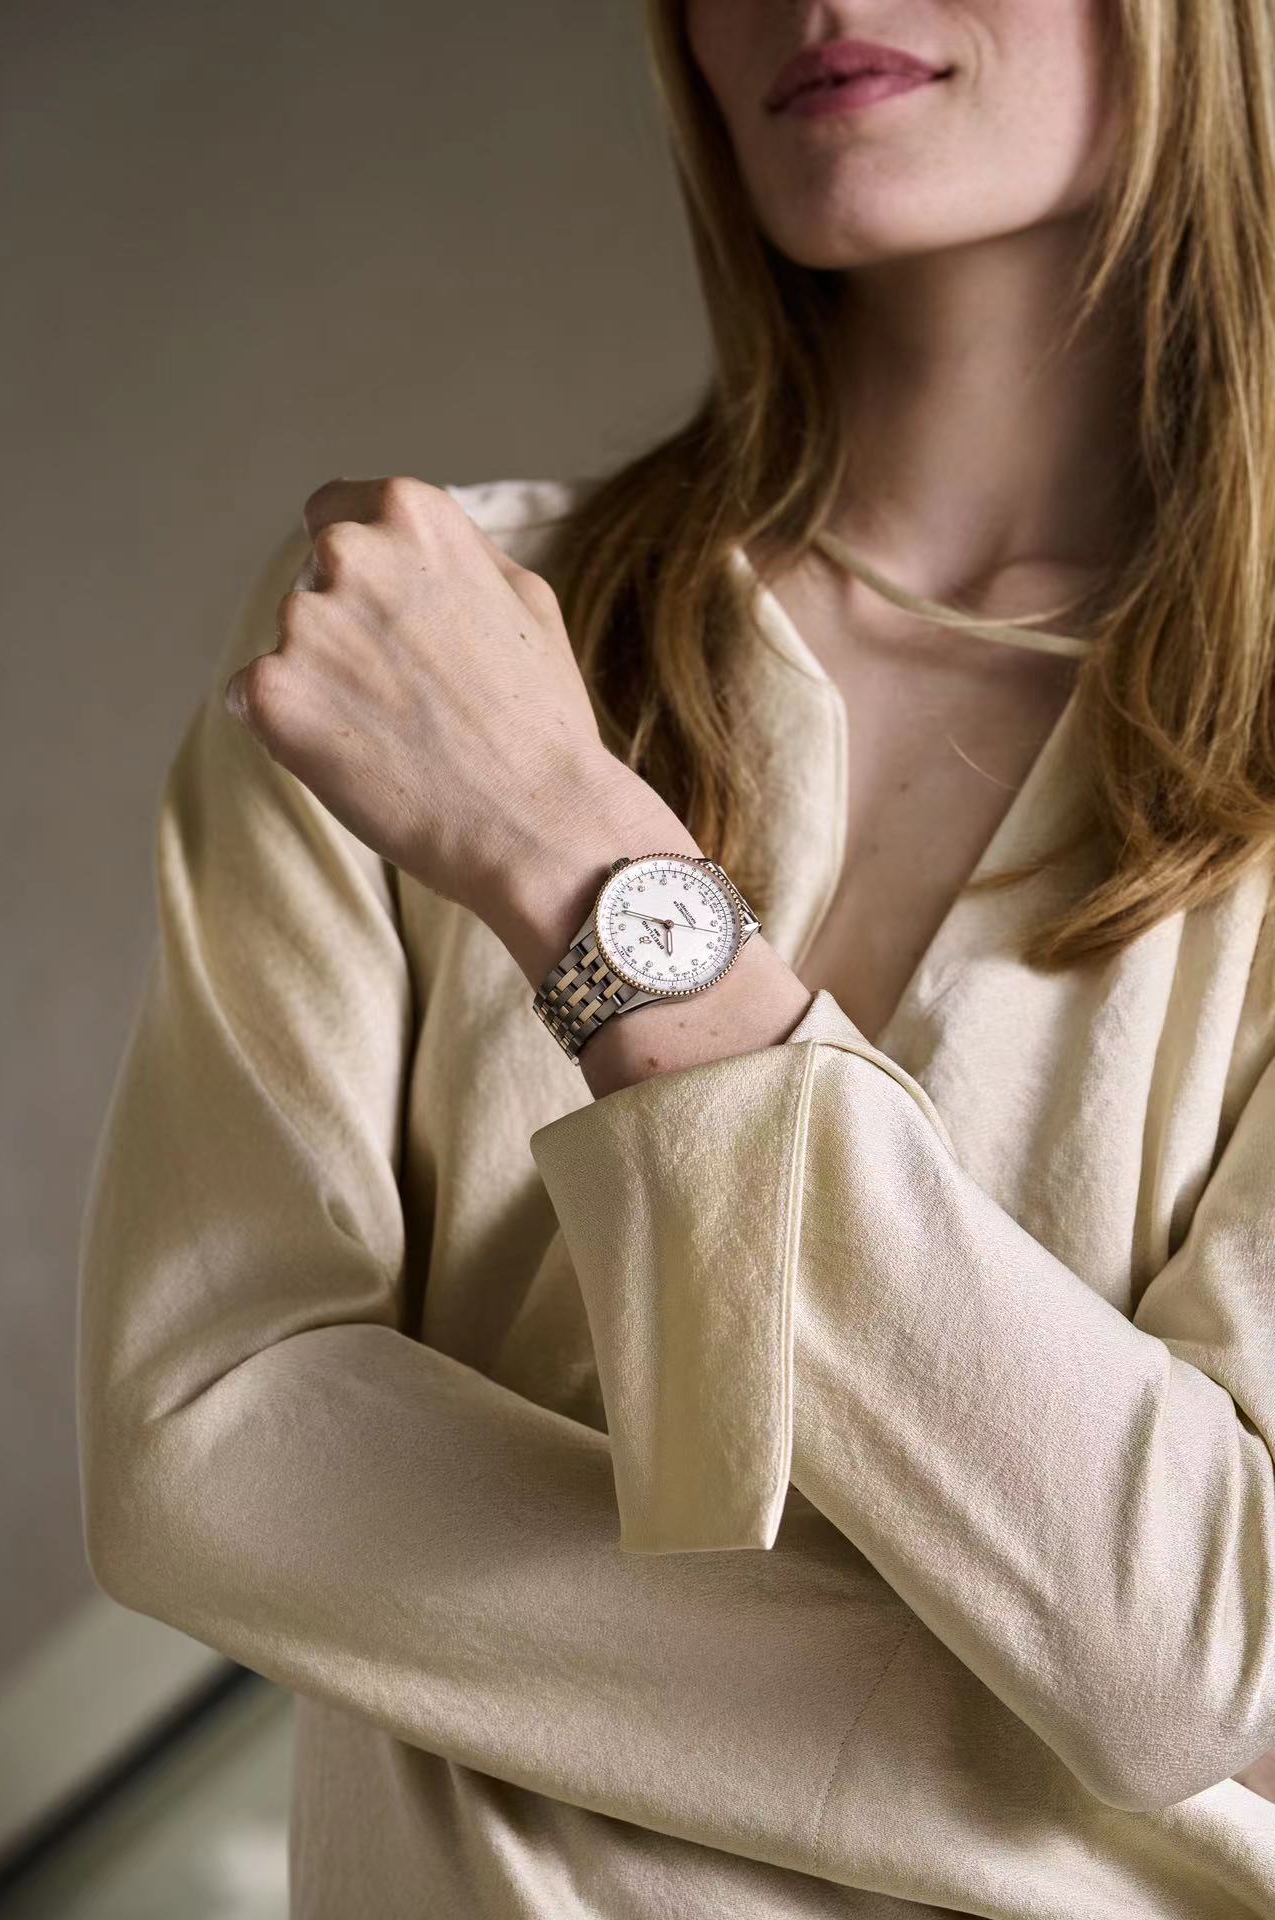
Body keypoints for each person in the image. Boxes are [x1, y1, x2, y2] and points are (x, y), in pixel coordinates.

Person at [77, 1, 1275, 1914]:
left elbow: (1203, 1634)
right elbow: (205, 1445)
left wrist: (578, 860)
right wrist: (1094, 1762)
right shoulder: (402, 642)